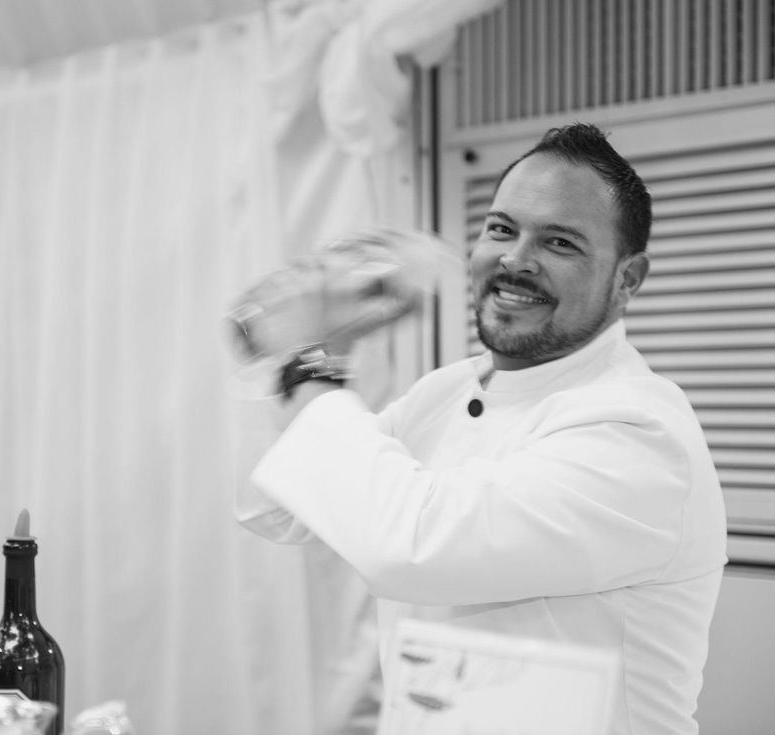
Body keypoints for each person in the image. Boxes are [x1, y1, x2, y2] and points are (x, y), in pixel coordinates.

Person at [232, 123, 728, 735]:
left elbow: (412, 548)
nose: (516, 261)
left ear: (627, 279)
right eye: (501, 229)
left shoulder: (639, 431)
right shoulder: (444, 392)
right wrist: (323, 343)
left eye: (561, 243)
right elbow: (274, 510)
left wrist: (304, 359)